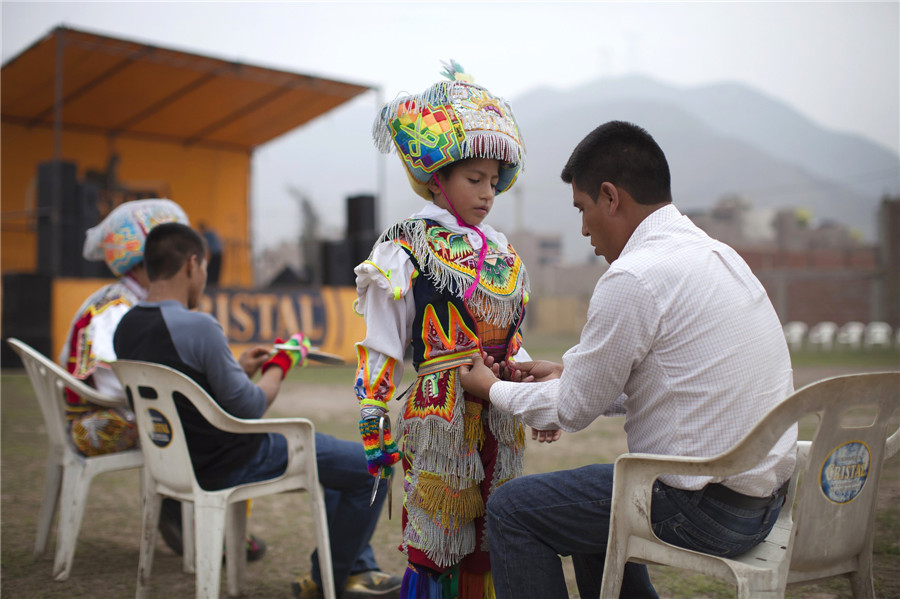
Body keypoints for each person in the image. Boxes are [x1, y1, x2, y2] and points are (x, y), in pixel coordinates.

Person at [458, 121, 798, 599]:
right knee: (590, 500)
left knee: (514, 510)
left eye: (582, 209)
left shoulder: (635, 275)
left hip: (702, 510)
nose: (582, 229)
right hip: (763, 503)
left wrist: (489, 388)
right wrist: (566, 371)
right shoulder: (718, 256)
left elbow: (573, 411)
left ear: (611, 198)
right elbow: (669, 380)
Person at [354, 61, 558, 599]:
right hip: (440, 416)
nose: (488, 192)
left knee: (495, 533)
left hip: (499, 410)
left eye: (494, 181)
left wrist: (535, 390)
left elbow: (510, 337)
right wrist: (373, 414)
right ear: (437, 178)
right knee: (437, 540)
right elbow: (380, 343)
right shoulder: (404, 245)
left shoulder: (504, 251)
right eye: (474, 179)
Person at [113, 222, 401, 599]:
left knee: (335, 466)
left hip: (176, 461)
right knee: (370, 466)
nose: (203, 277)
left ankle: (353, 569)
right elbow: (250, 407)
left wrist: (241, 368)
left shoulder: (126, 327)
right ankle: (328, 578)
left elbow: (182, 390)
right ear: (192, 264)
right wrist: (280, 364)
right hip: (233, 458)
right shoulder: (198, 325)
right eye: (204, 269)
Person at [57, 199, 241, 559]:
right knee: (198, 428)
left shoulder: (121, 300)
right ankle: (201, 530)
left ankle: (196, 524)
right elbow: (122, 386)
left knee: (188, 421)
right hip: (95, 424)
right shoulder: (118, 309)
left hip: (106, 416)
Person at [198, 222, 223, 286]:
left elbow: (205, 245)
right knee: (215, 268)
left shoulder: (207, 234)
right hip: (218, 252)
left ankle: (212, 282)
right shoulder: (211, 232)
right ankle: (213, 282)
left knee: (213, 268)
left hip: (215, 253)